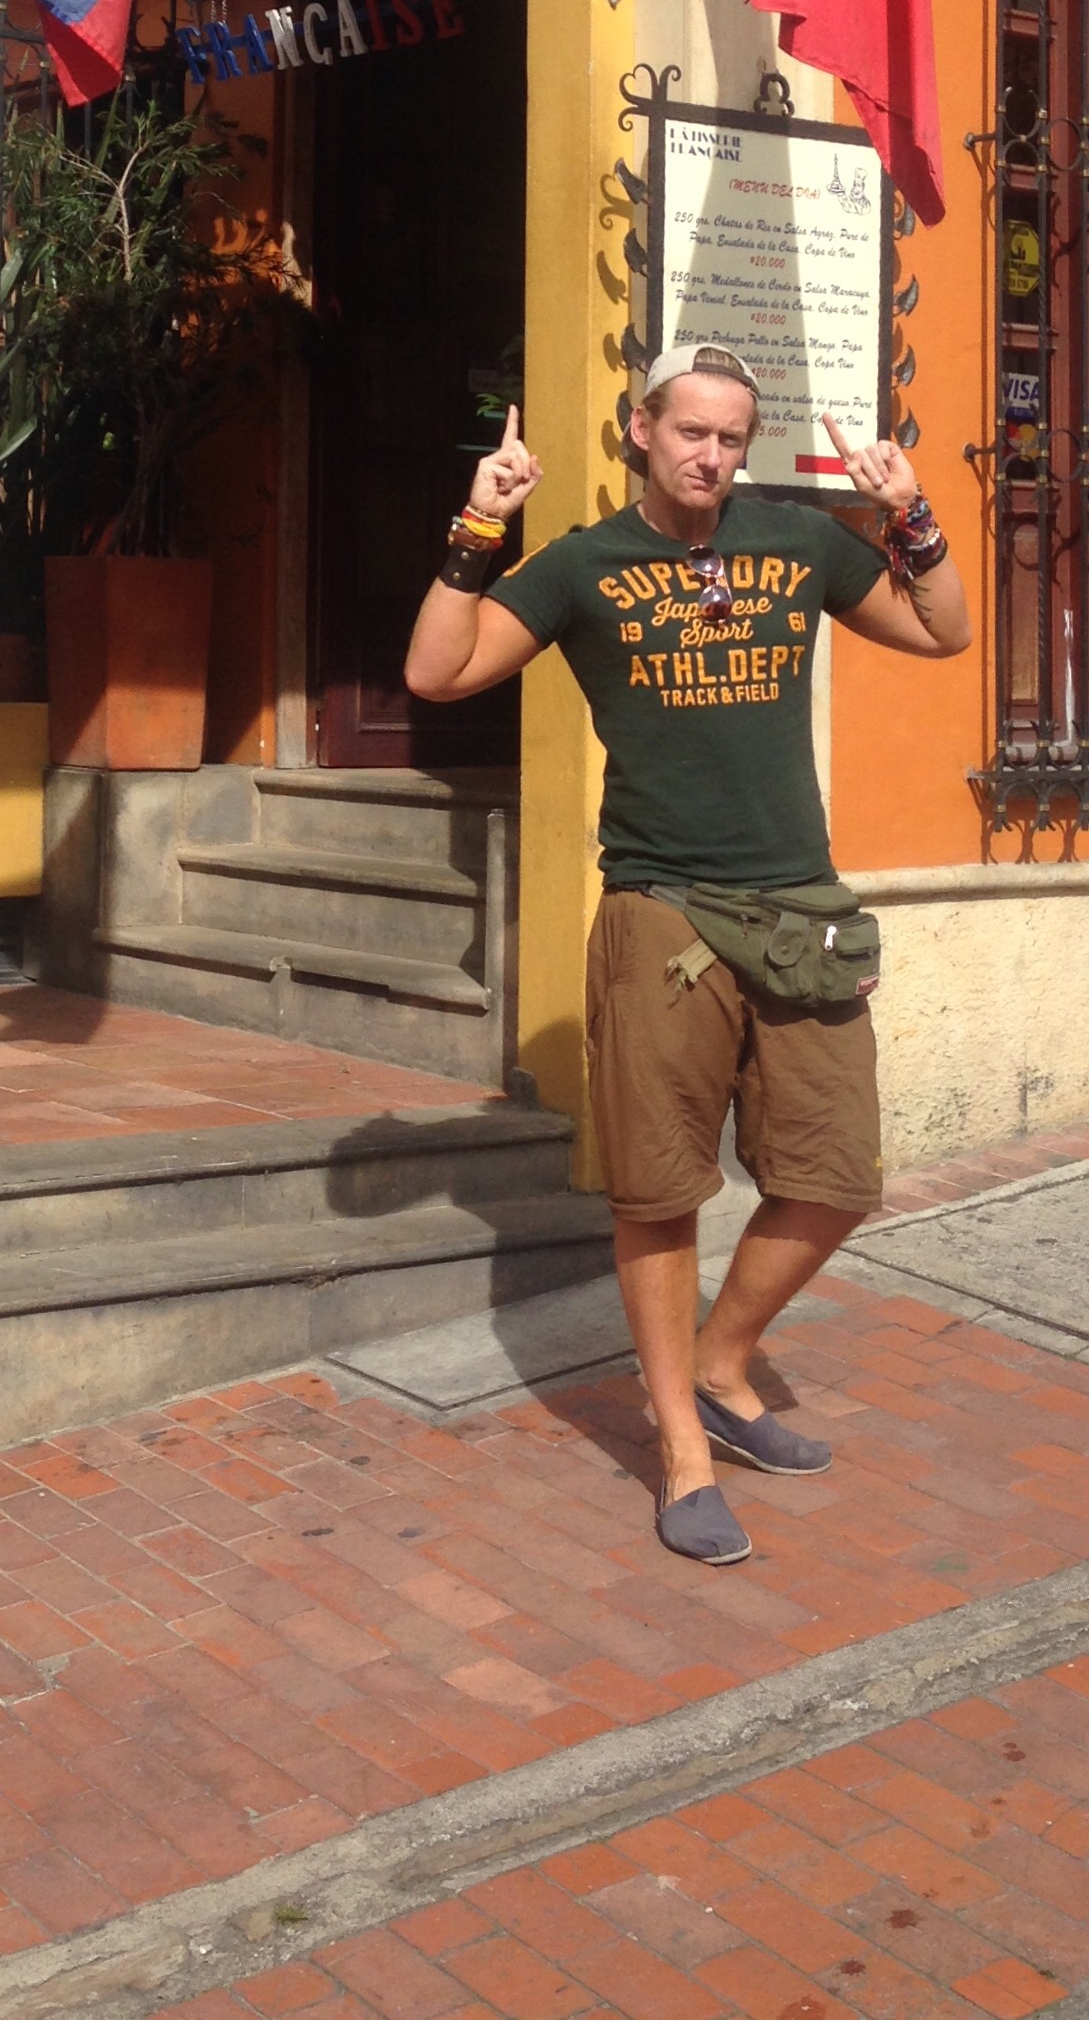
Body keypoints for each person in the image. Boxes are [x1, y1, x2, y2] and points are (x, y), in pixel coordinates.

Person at [404, 342, 969, 1565]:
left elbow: (944, 631)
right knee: (659, 1194)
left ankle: (720, 1364)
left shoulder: (798, 544)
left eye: (731, 437)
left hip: (799, 907)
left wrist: (909, 512)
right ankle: (682, 1449)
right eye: (691, 432)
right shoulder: (584, 567)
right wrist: (478, 525)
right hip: (662, 911)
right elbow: (435, 671)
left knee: (837, 1174)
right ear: (641, 430)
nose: (711, 455)